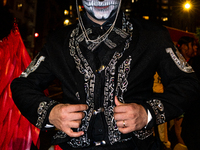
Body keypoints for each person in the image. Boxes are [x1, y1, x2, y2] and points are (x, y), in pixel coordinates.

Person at [11, 0, 200, 150]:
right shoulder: (58, 41)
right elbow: (22, 85)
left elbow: (188, 82)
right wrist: (51, 113)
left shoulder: (152, 35)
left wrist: (147, 113)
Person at [177, 36, 200, 150]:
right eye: (193, 45)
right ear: (185, 47)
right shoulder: (176, 61)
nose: (195, 47)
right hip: (185, 106)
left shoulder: (195, 63)